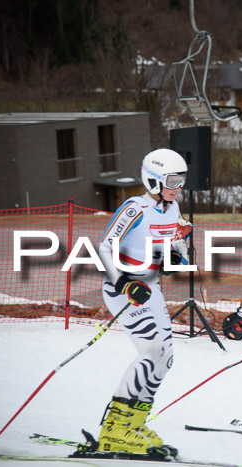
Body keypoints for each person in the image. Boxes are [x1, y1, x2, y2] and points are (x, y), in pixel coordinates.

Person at [95, 148, 190, 456]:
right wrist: (123, 283)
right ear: (153, 180)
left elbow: (165, 248)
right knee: (152, 350)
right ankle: (115, 428)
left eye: (182, 181)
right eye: (173, 181)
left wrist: (177, 252)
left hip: (151, 289)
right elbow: (104, 248)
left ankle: (134, 423)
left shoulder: (172, 210)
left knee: (165, 356)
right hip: (122, 290)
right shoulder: (135, 208)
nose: (178, 188)